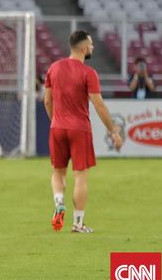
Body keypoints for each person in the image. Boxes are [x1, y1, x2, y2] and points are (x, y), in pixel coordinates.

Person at [44, 30, 123, 234]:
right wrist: (113, 130)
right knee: (80, 176)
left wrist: (55, 121)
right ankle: (78, 224)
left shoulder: (54, 68)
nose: (93, 47)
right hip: (79, 129)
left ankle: (59, 202)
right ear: (84, 48)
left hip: (57, 128)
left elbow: (47, 100)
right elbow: (99, 105)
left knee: (58, 172)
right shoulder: (88, 73)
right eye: (92, 44)